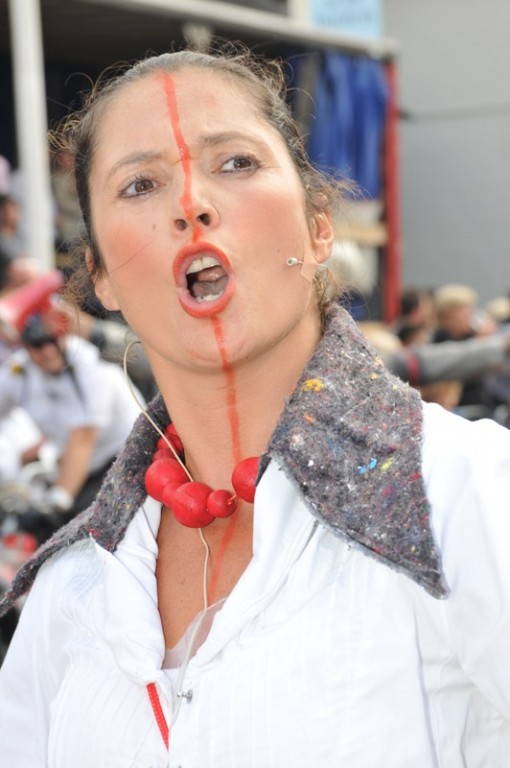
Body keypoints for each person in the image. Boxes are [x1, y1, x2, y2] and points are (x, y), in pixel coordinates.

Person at [0, 46, 510, 768]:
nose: (191, 205)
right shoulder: (70, 589)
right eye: (140, 184)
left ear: (319, 225)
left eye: (236, 162)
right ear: (100, 277)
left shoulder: (466, 494)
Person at [0, 307, 143, 539]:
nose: (47, 351)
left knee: (85, 530)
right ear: (24, 347)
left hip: (126, 460)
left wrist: (57, 503)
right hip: (73, 465)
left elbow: (83, 438)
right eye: (37, 345)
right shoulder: (20, 372)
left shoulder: (91, 365)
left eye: (52, 340)